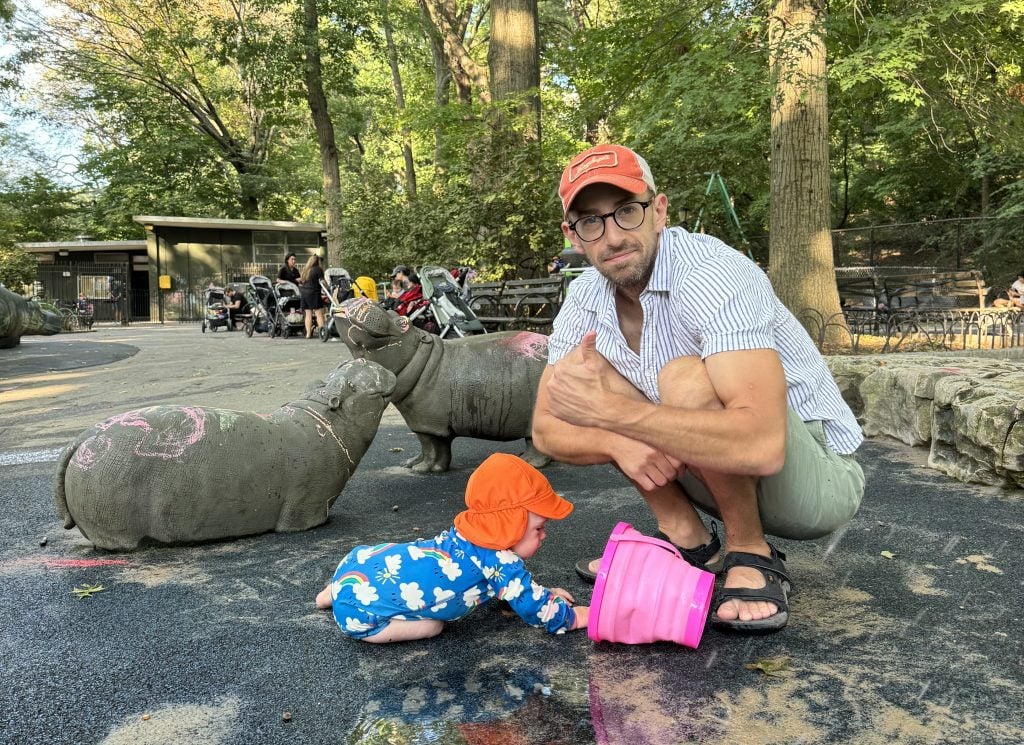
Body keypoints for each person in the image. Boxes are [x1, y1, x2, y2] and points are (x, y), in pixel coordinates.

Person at [531, 144, 865, 633]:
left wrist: (614, 417)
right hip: (707, 465)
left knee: (681, 375)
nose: (612, 236)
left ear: (659, 209)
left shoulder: (711, 273)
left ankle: (749, 549)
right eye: (591, 222)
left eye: (627, 211)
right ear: (573, 235)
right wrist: (617, 439)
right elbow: (545, 429)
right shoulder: (586, 295)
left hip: (813, 480)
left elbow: (762, 446)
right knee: (592, 372)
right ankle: (689, 541)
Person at [315, 453, 589, 643]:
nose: (544, 535)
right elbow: (532, 605)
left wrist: (542, 592)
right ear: (510, 526)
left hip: (356, 564)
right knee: (433, 626)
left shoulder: (466, 535)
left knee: (382, 564)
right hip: (360, 618)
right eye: (538, 528)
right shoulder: (500, 561)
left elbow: (513, 588)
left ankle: (331, 593)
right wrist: (573, 616)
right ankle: (344, 604)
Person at [298, 254, 326, 339]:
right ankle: (322, 333)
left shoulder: (306, 270)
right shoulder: (318, 269)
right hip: (314, 292)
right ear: (317, 261)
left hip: (304, 293)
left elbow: (302, 281)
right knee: (319, 314)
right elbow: (322, 281)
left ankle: (308, 334)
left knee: (308, 314)